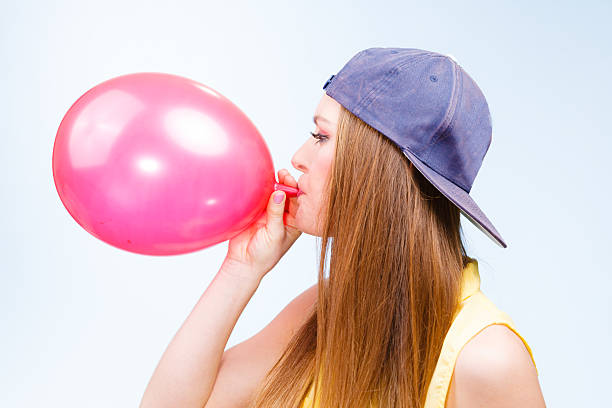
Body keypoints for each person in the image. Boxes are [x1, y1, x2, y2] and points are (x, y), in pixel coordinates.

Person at [139, 48, 546, 408]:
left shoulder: (487, 359)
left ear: (383, 169)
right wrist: (241, 269)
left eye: (321, 136)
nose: (297, 158)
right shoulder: (325, 308)